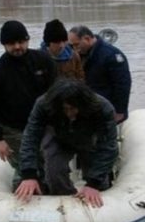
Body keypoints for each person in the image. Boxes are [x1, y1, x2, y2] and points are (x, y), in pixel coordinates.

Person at [15, 79, 118, 208]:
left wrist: (93, 183)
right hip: (59, 136)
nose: (70, 113)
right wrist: (28, 174)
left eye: (73, 108)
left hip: (90, 138)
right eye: (65, 109)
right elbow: (30, 137)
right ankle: (65, 201)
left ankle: (97, 198)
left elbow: (108, 146)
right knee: (53, 170)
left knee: (97, 176)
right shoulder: (43, 104)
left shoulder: (102, 108)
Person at [0, 20, 57, 182]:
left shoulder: (43, 60)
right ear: (3, 44)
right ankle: (22, 197)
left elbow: (57, 92)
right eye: (11, 43)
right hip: (14, 129)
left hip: (44, 124)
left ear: (28, 40)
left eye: (21, 42)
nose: (17, 46)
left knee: (49, 165)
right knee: (27, 169)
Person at [68, 25, 132, 123]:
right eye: (72, 46)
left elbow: (122, 85)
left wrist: (120, 111)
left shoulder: (111, 55)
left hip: (106, 109)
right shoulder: (79, 55)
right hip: (87, 109)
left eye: (77, 45)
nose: (75, 49)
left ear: (87, 39)